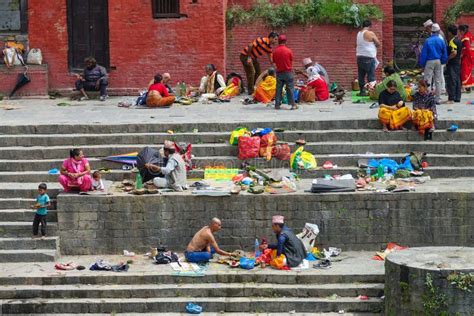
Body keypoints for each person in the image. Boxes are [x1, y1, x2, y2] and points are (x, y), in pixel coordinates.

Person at [420, 23, 448, 104]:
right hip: (438, 61)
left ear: (432, 31)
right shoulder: (441, 41)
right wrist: (443, 61)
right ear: (438, 31)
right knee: (438, 80)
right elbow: (444, 53)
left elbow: (424, 53)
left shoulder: (428, 41)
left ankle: (428, 98)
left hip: (429, 61)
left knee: (427, 80)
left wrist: (422, 63)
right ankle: (438, 99)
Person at [356, 20, 381, 96]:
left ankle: (362, 91)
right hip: (368, 57)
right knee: (371, 76)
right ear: (370, 26)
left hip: (359, 57)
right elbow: (378, 44)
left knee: (361, 75)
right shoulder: (370, 33)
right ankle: (372, 93)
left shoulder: (359, 33)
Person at [273, 35, 296, 110]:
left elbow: (274, 62)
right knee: (290, 88)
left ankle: (277, 104)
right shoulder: (288, 51)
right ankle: (293, 105)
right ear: (285, 41)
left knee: (278, 89)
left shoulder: (275, 51)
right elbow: (291, 60)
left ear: (278, 41)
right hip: (288, 72)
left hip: (279, 73)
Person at [445, 25, 462, 103]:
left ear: (450, 32)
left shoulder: (452, 41)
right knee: (457, 80)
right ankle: (457, 97)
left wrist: (448, 59)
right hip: (457, 63)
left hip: (452, 63)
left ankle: (451, 98)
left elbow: (454, 52)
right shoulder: (459, 40)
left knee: (451, 80)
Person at [459, 24, 474, 91]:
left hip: (467, 56)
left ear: (463, 31)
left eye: (460, 31)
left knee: (465, 71)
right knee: (468, 71)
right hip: (471, 55)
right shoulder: (470, 35)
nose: (460, 33)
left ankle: (465, 86)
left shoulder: (466, 37)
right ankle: (468, 86)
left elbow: (467, 48)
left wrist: (461, 54)